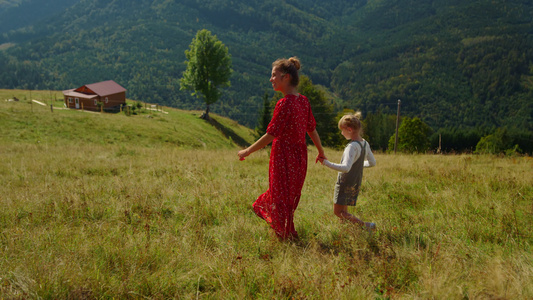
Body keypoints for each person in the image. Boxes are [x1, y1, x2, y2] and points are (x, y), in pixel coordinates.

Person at [238, 57, 325, 241]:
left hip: (283, 157)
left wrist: (247, 151)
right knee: (289, 195)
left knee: (279, 194)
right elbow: (312, 130)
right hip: (300, 158)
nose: (271, 79)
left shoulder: (284, 104)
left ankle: (282, 232)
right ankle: (285, 230)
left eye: (273, 75)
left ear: (286, 78)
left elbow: (270, 135)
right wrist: (320, 151)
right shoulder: (303, 101)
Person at [319, 112, 376, 231]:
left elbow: (345, 168)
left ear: (349, 129)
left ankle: (366, 226)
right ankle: (344, 232)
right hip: (355, 182)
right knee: (344, 211)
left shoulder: (352, 146)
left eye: (342, 130)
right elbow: (372, 162)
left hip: (345, 182)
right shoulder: (365, 144)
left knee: (338, 212)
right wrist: (359, 166)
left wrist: (326, 163)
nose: (341, 133)